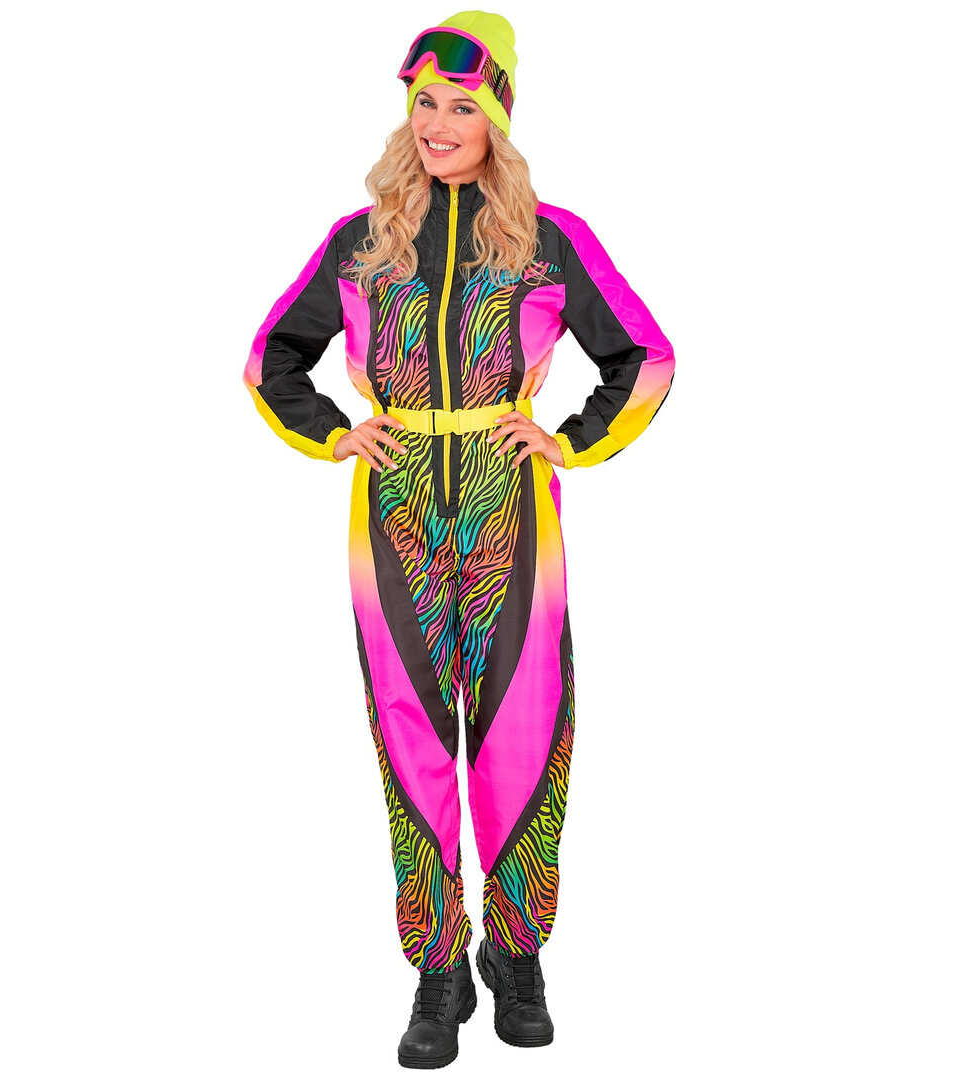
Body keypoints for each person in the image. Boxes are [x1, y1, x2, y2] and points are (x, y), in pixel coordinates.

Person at [243, 10, 675, 1069]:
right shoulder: (361, 240)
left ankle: (516, 952)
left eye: (461, 107)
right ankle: (438, 966)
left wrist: (568, 441)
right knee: (411, 735)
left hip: (511, 508)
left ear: (498, 120)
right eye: (423, 104)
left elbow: (646, 358)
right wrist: (336, 433)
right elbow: (270, 359)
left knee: (525, 728)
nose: (437, 124)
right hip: (392, 516)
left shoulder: (549, 238)